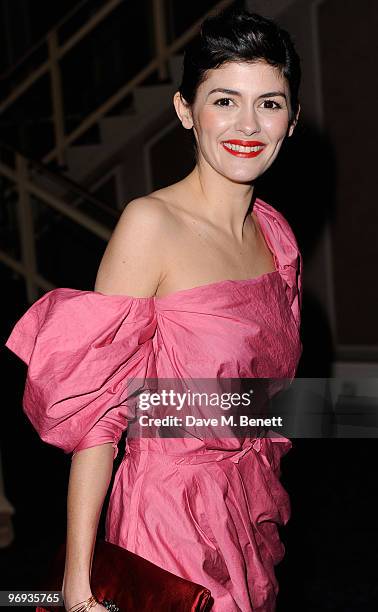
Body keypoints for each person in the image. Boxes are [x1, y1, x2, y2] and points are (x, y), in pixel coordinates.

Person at [5, 7, 302, 612]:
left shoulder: (276, 235)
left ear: (292, 120)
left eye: (269, 103)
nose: (248, 123)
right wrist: (78, 581)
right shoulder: (150, 225)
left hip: (252, 508)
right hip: (169, 520)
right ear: (185, 111)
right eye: (225, 100)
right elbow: (99, 416)